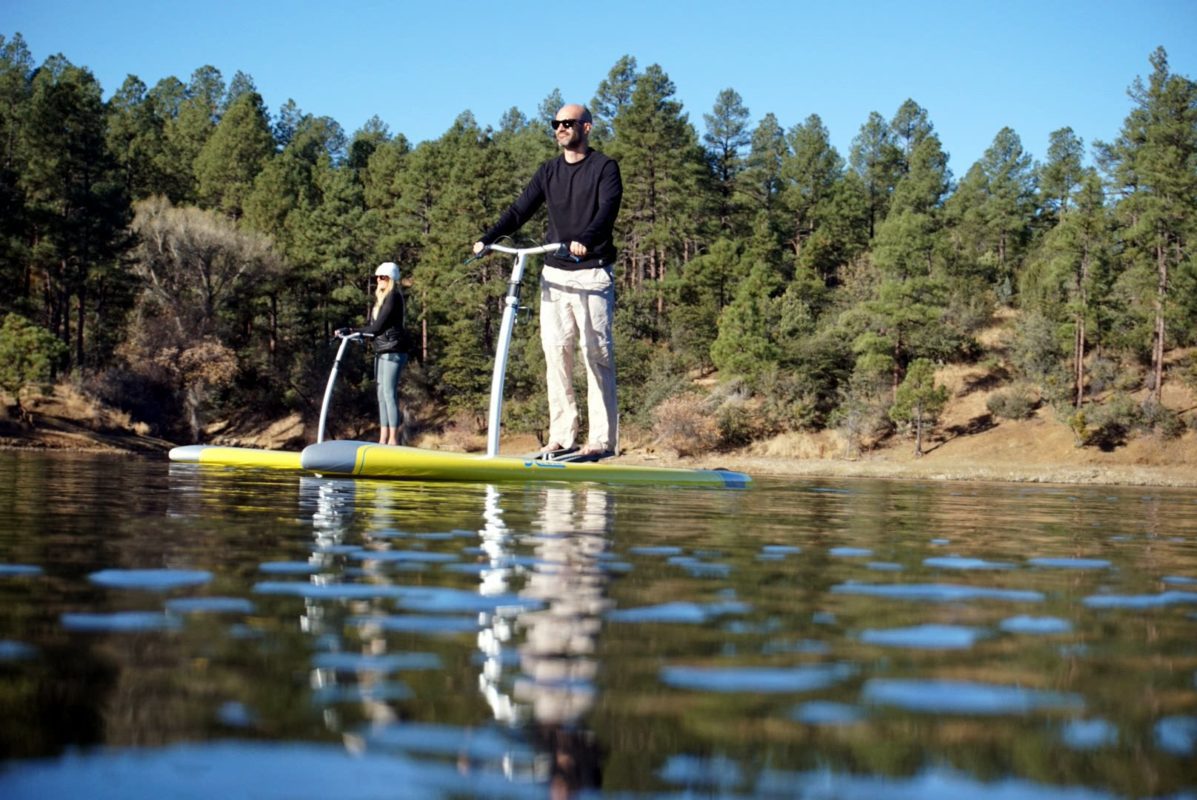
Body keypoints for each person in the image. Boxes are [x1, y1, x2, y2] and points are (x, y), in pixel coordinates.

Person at [473, 103, 623, 461]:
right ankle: (562, 435)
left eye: (567, 123)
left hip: (592, 272)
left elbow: (608, 209)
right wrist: (489, 238)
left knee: (594, 353)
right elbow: (519, 210)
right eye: (556, 124)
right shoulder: (549, 171)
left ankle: (601, 439)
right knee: (556, 354)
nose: (560, 128)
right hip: (555, 275)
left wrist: (586, 237)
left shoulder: (604, 168)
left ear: (586, 127)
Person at [337, 262, 408, 446]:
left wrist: (353, 330)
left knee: (389, 393)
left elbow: (377, 328)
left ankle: (393, 439)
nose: (379, 280)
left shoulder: (394, 297)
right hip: (382, 350)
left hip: (393, 350)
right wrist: (351, 331)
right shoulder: (382, 299)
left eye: (383, 277)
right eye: (377, 277)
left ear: (390, 279)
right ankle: (382, 438)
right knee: (380, 393)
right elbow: (373, 328)